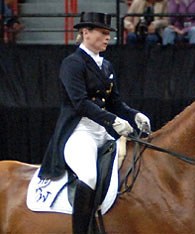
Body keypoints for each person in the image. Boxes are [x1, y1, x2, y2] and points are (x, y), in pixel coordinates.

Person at [38, 12, 151, 233]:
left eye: (108, 34)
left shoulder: (106, 66)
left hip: (102, 131)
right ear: (85, 33)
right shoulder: (72, 63)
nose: (107, 38)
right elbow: (80, 103)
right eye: (103, 33)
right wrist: (114, 120)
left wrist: (134, 115)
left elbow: (115, 102)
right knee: (88, 175)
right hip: (79, 131)